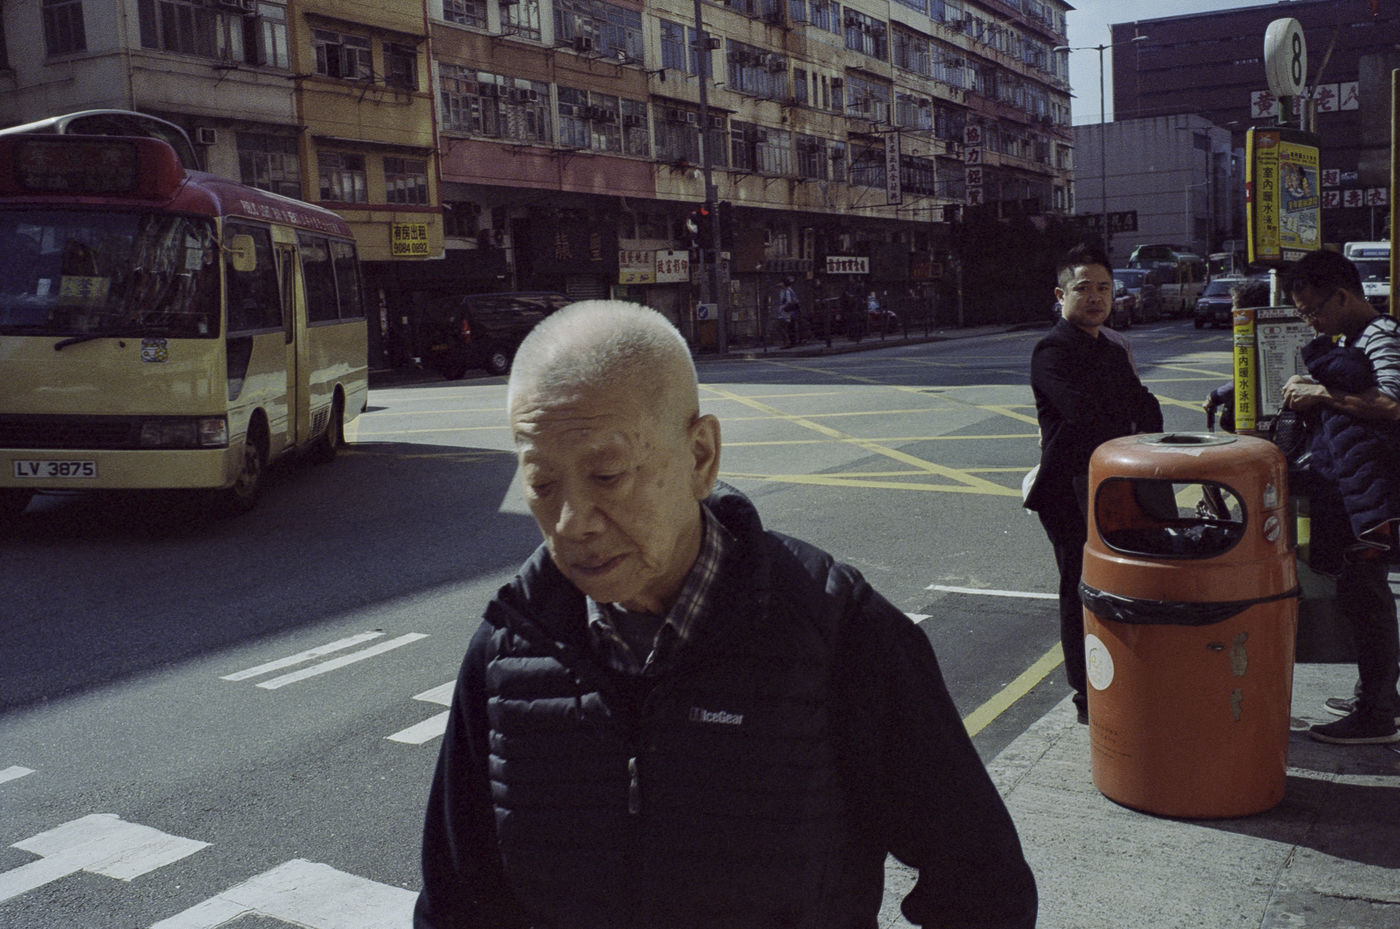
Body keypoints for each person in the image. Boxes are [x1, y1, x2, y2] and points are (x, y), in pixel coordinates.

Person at [414, 300, 1038, 929]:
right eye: (543, 485)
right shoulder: (508, 648)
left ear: (701, 456)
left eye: (607, 475)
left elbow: (983, 887)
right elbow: (456, 904)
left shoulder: (839, 630)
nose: (573, 524)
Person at [1024, 244, 1163, 724]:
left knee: (1120, 584)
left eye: (1104, 288)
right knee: (1079, 588)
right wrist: (1124, 412)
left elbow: (1148, 409)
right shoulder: (1052, 351)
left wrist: (1124, 412)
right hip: (1068, 491)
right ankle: (1085, 691)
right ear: (1061, 295)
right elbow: (1085, 415)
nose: (1096, 297)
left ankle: (1123, 675)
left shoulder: (1111, 348)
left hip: (1115, 486)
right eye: (1084, 288)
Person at [1280, 249, 1400, 745]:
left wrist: (1322, 394)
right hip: (1357, 492)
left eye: (1313, 310)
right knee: (1360, 593)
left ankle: (1376, 715)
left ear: (1343, 296)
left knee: (1367, 596)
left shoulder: (1381, 335)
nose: (1311, 321)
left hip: (1375, 496)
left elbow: (1391, 403)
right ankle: (1377, 696)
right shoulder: (1352, 339)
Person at [1201, 278, 1272, 432]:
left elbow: (1246, 377)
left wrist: (1215, 396)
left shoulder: (1255, 337)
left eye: (1235, 305)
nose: (1232, 310)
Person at [777, 275, 801, 347]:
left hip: (787, 311)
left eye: (781, 283)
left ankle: (789, 342)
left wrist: (785, 308)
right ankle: (788, 341)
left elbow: (789, 302)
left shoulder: (787, 291)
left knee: (786, 326)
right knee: (786, 326)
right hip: (784, 311)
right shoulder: (783, 291)